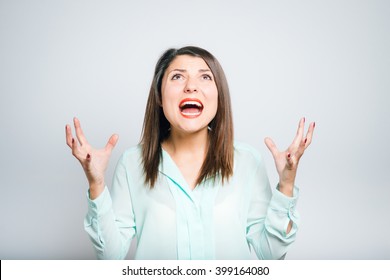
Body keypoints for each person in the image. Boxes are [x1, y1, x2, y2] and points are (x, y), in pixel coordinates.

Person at [65, 46, 315, 260]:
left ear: (219, 96)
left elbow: (270, 255)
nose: (191, 87)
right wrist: (96, 184)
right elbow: (110, 255)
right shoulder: (132, 163)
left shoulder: (248, 161)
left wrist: (286, 185)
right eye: (177, 77)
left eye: (205, 77)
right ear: (160, 97)